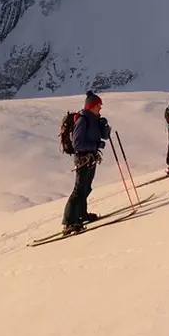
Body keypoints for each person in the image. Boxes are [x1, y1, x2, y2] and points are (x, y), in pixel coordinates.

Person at [63, 90, 111, 234]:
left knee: (86, 188)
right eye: (98, 105)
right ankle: (69, 222)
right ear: (91, 106)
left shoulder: (94, 119)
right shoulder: (83, 120)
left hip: (90, 158)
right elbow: (77, 144)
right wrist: (95, 146)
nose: (100, 108)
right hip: (83, 158)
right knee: (79, 189)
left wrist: (105, 127)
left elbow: (105, 137)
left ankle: (81, 214)